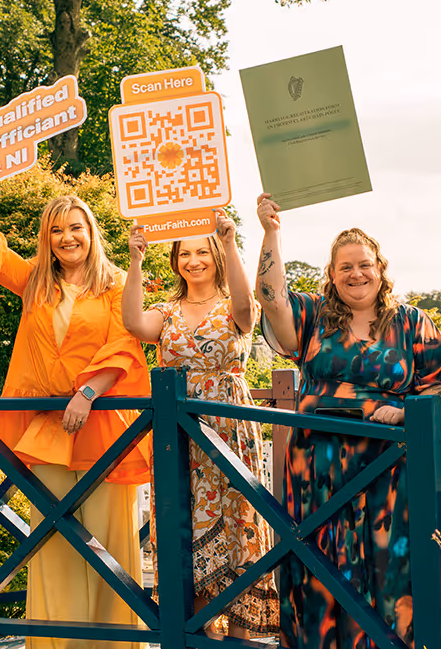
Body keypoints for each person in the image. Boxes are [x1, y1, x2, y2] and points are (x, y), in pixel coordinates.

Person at [253, 193, 441, 648]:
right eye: (344, 267)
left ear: (380, 269)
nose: (356, 274)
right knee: (321, 568)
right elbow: (270, 299)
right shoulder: (312, 317)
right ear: (331, 275)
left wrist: (407, 410)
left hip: (390, 470)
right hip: (319, 471)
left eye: (364, 264)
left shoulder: (412, 322)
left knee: (390, 571)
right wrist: (271, 233)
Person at [0, 194, 150, 649]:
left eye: (75, 227)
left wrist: (88, 392)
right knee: (53, 541)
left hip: (102, 427)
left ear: (91, 232)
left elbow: (124, 343)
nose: (66, 238)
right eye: (56, 230)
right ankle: (57, 643)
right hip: (47, 429)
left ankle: (114, 646)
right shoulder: (36, 281)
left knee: (110, 541)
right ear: (47, 239)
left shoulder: (117, 283)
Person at [122, 212, 279, 638]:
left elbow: (248, 311)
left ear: (217, 257)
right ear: (175, 260)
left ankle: (240, 637)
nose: (194, 261)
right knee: (183, 527)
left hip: (228, 428)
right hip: (177, 435)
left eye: (203, 252)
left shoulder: (234, 304)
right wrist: (135, 260)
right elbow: (134, 324)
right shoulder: (166, 310)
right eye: (185, 253)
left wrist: (229, 240)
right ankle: (196, 633)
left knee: (235, 522)